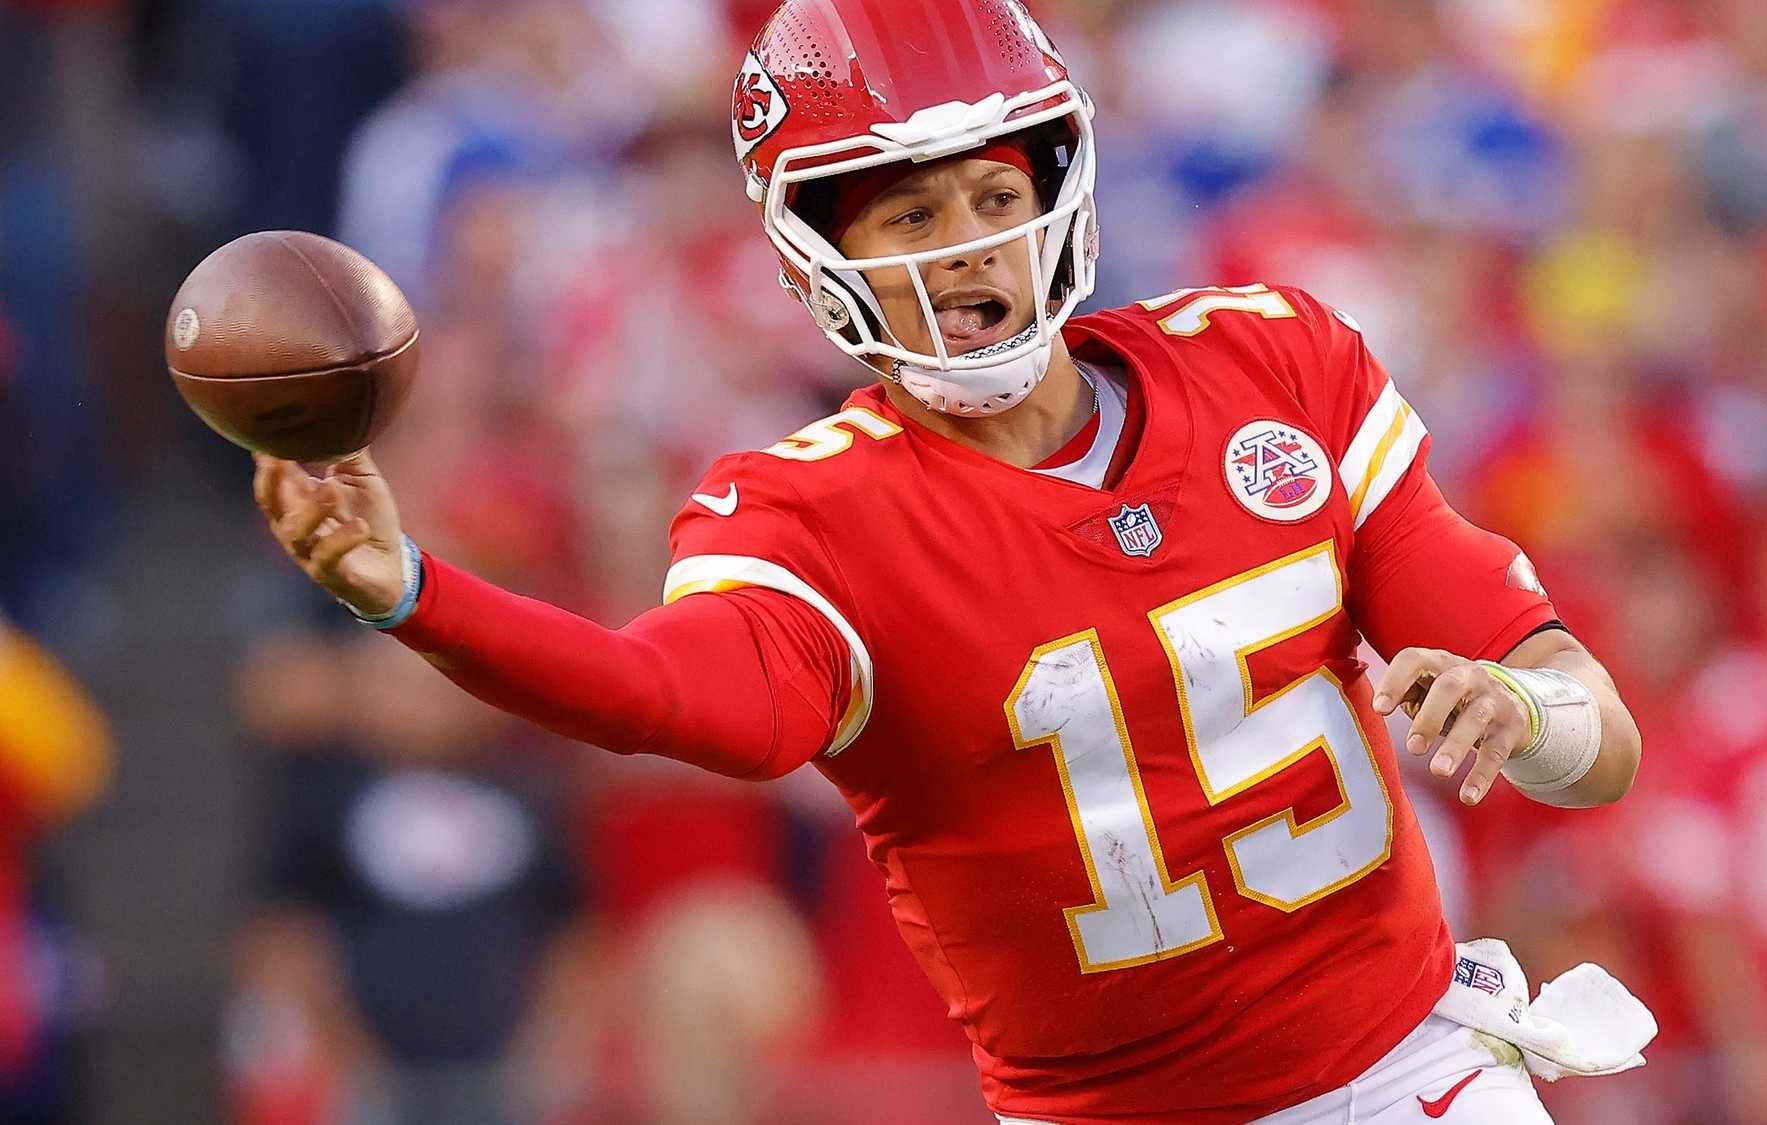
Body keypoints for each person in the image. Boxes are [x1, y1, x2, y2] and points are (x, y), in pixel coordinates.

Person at [250, 2, 1650, 1121]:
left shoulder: (1275, 362)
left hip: (1414, 1074)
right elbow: (664, 695)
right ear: (818, 258)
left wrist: (1526, 712)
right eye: (911, 219)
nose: (968, 251)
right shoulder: (809, 515)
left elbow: (1598, 736)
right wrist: (416, 593)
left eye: (990, 196)